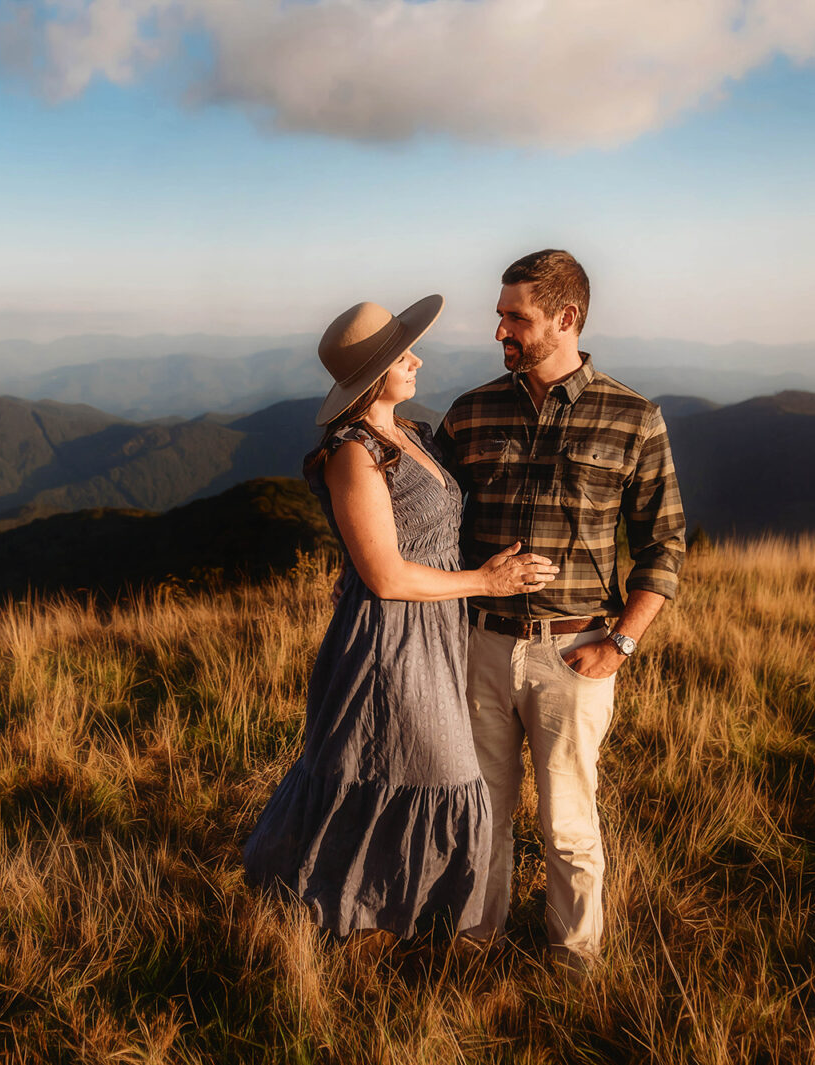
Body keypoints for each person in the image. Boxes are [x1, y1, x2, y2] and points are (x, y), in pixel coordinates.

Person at [243, 294, 561, 941]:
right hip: (392, 639)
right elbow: (384, 573)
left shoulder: (412, 434)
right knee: (438, 771)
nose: (416, 358)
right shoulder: (351, 453)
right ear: (370, 376)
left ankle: (393, 926)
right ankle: (349, 913)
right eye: (400, 354)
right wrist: (485, 580)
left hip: (437, 629)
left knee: (398, 767)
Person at [438, 250, 686, 969]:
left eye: (516, 317)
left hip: (574, 653)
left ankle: (575, 968)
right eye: (501, 316)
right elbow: (431, 521)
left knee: (569, 824)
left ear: (565, 319)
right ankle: (472, 947)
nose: (500, 332)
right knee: (479, 812)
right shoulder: (472, 411)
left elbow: (664, 545)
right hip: (479, 645)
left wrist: (622, 643)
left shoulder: (633, 418)